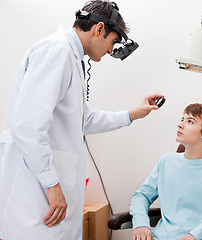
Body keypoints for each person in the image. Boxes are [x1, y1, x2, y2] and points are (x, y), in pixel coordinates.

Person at [0, 1, 163, 239]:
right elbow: (27, 126)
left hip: (50, 197)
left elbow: (82, 118)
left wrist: (134, 114)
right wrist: (52, 184)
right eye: (113, 42)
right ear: (99, 29)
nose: (111, 51)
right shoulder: (57, 51)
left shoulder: (71, 56)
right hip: (35, 199)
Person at [130, 103, 202, 240]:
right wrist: (141, 223)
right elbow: (142, 196)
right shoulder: (167, 161)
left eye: (190, 121)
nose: (180, 125)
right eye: (182, 119)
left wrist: (196, 234)